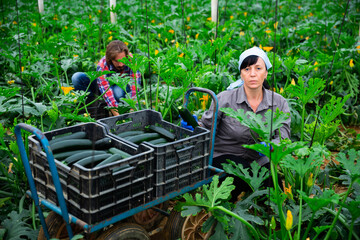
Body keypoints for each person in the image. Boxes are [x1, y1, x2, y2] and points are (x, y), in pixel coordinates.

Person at [183, 46, 291, 200]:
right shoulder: (224, 98)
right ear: (241, 74)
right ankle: (229, 202)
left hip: (258, 159)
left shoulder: (279, 102)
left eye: (258, 68)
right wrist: (192, 126)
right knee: (242, 172)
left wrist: (272, 147)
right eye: (247, 69)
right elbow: (205, 128)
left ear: (266, 73)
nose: (252, 74)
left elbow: (284, 137)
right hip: (224, 155)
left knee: (274, 191)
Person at [72, 40, 141, 116]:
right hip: (106, 85)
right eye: (117, 61)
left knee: (118, 92)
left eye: (123, 60)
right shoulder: (103, 65)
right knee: (77, 78)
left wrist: (132, 110)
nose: (121, 64)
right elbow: (106, 90)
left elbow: (135, 88)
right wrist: (118, 117)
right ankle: (93, 108)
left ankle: (123, 109)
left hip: (123, 86)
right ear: (110, 59)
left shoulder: (133, 61)